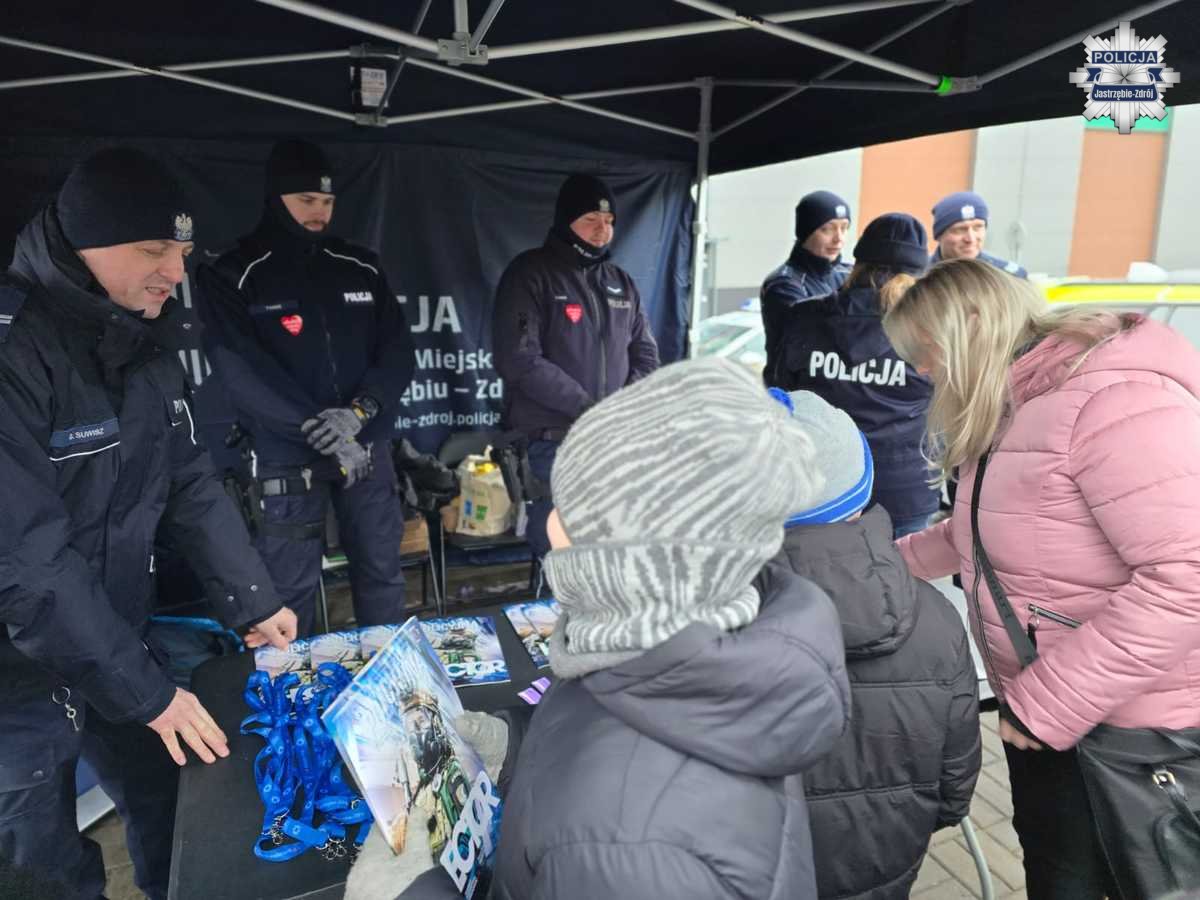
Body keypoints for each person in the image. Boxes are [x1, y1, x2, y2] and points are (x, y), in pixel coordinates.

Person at [0, 147, 296, 900]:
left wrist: (253, 598)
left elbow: (190, 484)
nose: (175, 271)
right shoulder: (13, 350)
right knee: (41, 871)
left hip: (116, 634)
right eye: (153, 249)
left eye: (184, 253)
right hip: (15, 674)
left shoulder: (141, 341)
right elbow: (27, 563)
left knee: (176, 819)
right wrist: (148, 693)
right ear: (85, 241)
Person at [884, 258, 1200, 899]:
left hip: (1129, 737)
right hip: (1056, 719)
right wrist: (872, 564)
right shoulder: (1022, 403)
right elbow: (978, 532)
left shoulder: (1114, 400)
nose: (921, 372)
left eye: (924, 352)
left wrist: (1045, 705)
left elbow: (1187, 578)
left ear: (972, 324)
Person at [491, 356, 851, 900]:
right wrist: (512, 745)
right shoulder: (667, 658)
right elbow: (594, 731)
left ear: (637, 562)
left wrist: (408, 888)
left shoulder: (627, 847)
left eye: (575, 513)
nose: (549, 524)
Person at [762, 388, 981, 899]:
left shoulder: (694, 621)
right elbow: (953, 792)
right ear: (860, 491)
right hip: (882, 871)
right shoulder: (937, 619)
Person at [197, 139, 416, 637]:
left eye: (327, 201)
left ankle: (393, 677)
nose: (319, 212)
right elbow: (241, 370)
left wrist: (358, 414)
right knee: (288, 591)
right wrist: (315, 427)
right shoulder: (234, 272)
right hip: (288, 455)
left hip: (364, 446)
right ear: (276, 198)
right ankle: (293, 684)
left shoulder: (360, 265)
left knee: (382, 574)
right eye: (306, 200)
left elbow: (398, 351)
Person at [492, 173, 660, 560]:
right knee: (565, 563)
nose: (602, 230)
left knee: (615, 559)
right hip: (552, 445)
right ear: (566, 221)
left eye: (609, 221)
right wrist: (588, 409)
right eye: (590, 220)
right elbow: (519, 360)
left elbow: (647, 356)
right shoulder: (530, 273)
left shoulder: (621, 282)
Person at [767, 212, 938, 538]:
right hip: (904, 490)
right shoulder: (930, 331)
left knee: (815, 571)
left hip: (824, 489)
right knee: (902, 572)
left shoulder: (805, 316)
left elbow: (781, 395)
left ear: (857, 263)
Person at [761, 190, 852, 378]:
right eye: (827, 229)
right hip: (793, 388)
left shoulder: (850, 274)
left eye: (844, 228)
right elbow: (819, 338)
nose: (839, 238)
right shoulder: (783, 284)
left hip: (834, 386)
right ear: (805, 232)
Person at [930, 190, 1027, 277]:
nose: (970, 239)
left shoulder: (1007, 277)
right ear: (939, 235)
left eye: (978, 227)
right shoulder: (922, 277)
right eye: (960, 229)